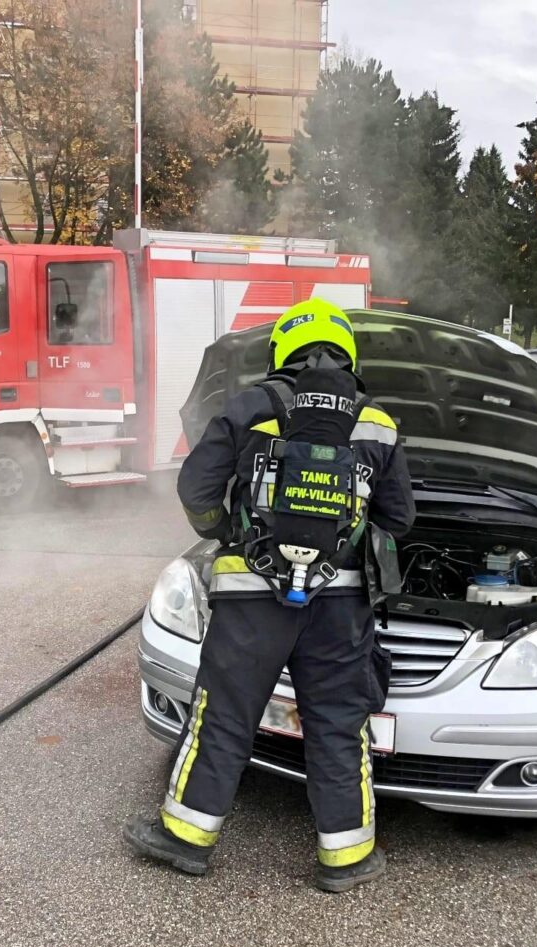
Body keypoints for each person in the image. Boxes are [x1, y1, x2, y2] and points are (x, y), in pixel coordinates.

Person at [123, 298, 416, 893]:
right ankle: (346, 857)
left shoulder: (249, 406)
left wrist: (223, 531)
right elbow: (400, 519)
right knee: (339, 723)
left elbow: (196, 487)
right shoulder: (378, 424)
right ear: (348, 354)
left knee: (225, 714)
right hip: (340, 607)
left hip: (250, 598)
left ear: (283, 349)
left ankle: (185, 839)